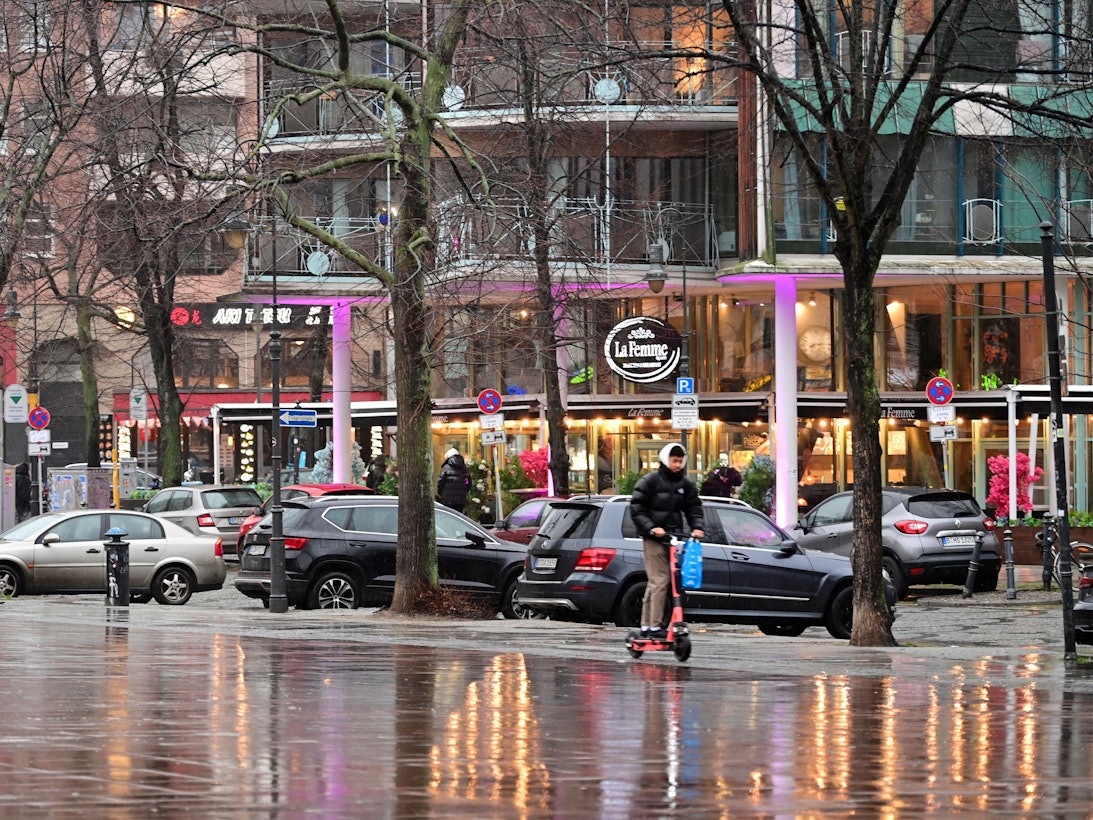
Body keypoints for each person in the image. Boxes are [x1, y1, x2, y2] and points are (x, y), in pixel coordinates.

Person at [629, 443, 705, 640]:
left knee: (659, 582)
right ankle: (654, 627)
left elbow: (694, 507)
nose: (678, 465)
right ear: (665, 460)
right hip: (653, 538)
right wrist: (651, 528)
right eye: (674, 461)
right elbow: (637, 508)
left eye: (680, 461)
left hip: (673, 538)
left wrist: (697, 527)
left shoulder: (685, 485)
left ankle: (646, 625)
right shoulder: (650, 481)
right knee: (660, 580)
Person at [437, 447, 471, 513]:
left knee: (448, 516)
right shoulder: (464, 468)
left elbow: (441, 482)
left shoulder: (445, 467)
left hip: (447, 499)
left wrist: (440, 493)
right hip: (461, 499)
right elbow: (468, 482)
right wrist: (464, 491)